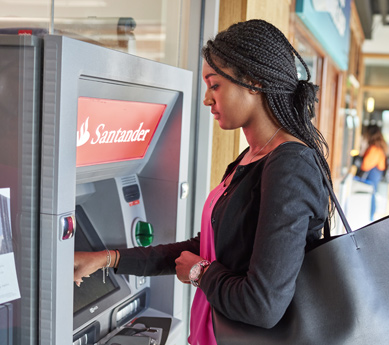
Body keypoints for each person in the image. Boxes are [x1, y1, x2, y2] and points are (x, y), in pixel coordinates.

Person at [73, 19, 333, 345]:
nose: (207, 99)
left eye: (215, 85)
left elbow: (262, 305)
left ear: (253, 83)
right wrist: (109, 259)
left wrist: (200, 273)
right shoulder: (251, 158)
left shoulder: (291, 166)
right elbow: (207, 248)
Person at [356, 124, 386, 221]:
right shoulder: (378, 147)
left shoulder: (375, 148)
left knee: (371, 194)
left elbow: (365, 165)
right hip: (375, 175)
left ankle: (370, 218)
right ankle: (370, 217)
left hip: (372, 176)